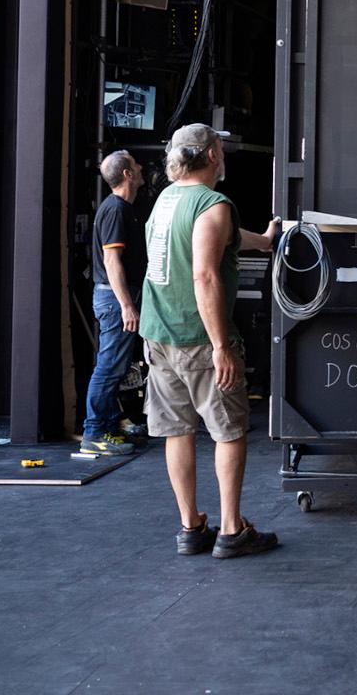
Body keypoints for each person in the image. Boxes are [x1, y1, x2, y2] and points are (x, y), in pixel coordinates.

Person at [141, 123, 280, 559]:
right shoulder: (214, 203)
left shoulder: (166, 199)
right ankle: (232, 530)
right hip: (199, 337)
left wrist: (266, 241)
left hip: (159, 334)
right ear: (213, 156)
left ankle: (191, 527)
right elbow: (203, 274)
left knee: (177, 431)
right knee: (229, 432)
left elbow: (225, 237)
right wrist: (221, 345)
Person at [80, 151, 148, 456]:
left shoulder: (123, 209)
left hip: (118, 296)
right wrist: (126, 305)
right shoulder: (115, 210)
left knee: (117, 366)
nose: (141, 166)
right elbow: (111, 260)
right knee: (108, 367)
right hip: (114, 298)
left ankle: (109, 425)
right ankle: (94, 433)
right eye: (135, 164)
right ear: (127, 174)